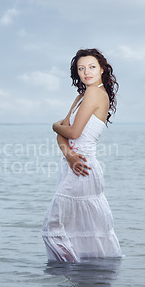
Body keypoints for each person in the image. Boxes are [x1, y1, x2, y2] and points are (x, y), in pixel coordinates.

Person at [42, 48, 123, 262]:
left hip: (82, 166)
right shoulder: (81, 96)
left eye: (92, 67)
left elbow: (71, 132)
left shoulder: (95, 93)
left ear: (102, 69)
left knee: (53, 227)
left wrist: (53, 125)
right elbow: (63, 136)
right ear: (76, 72)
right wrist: (68, 154)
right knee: (73, 229)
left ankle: (73, 274)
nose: (86, 72)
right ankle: (83, 283)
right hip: (72, 163)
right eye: (81, 68)